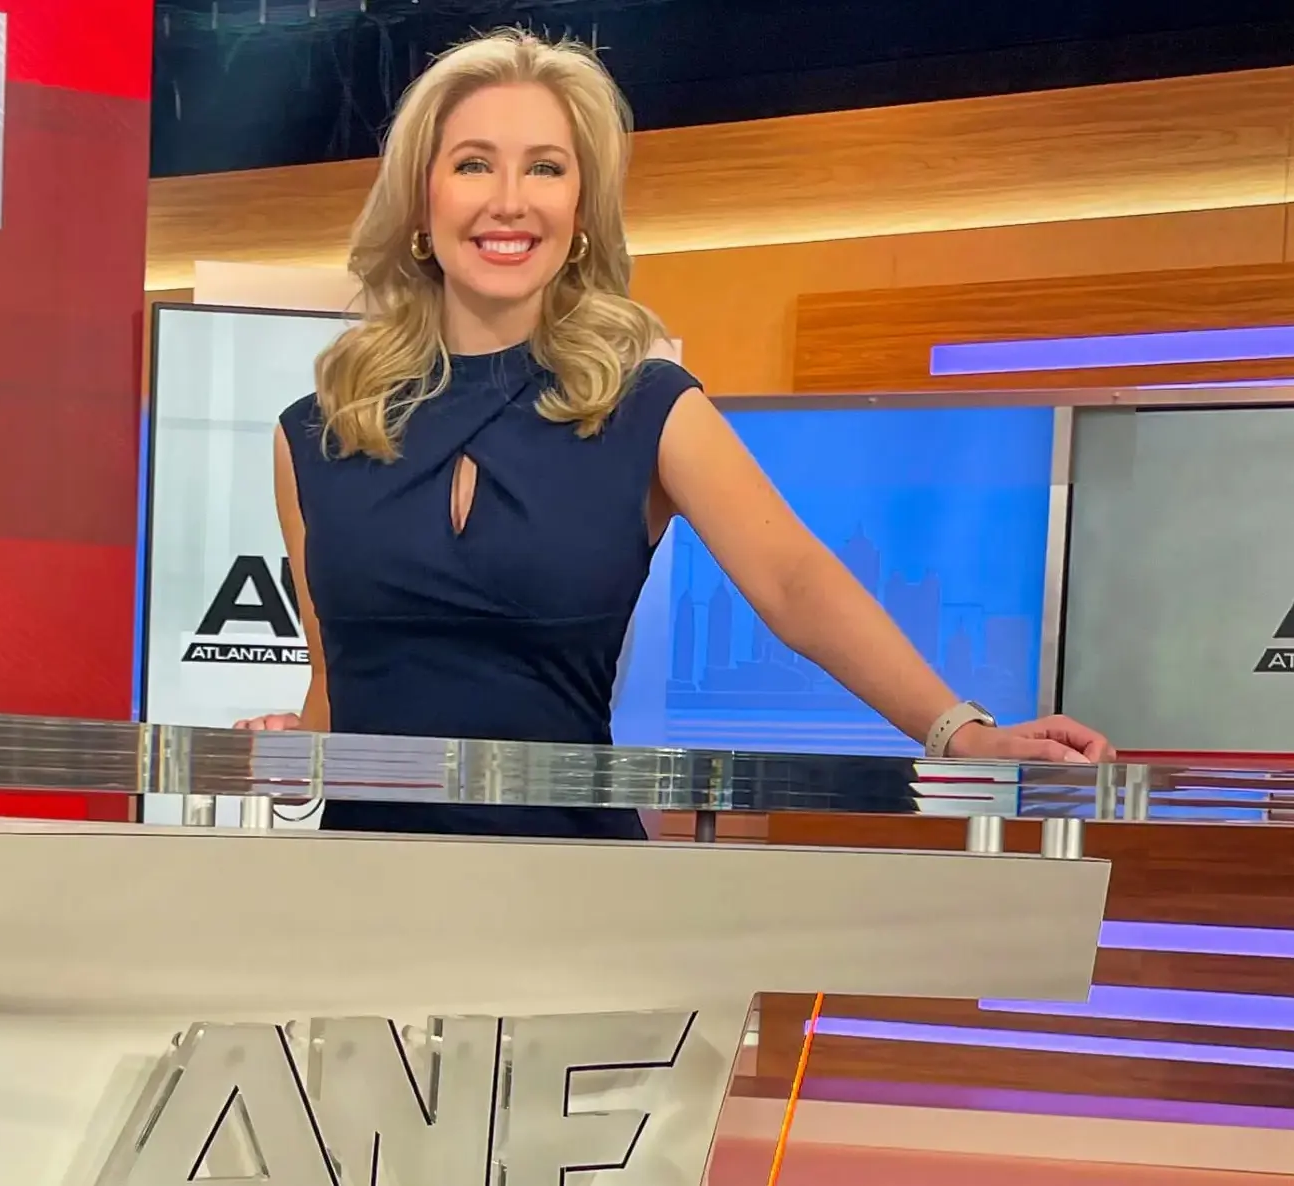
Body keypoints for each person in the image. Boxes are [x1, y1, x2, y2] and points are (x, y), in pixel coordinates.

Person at [234, 29, 1112, 840]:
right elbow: (336, 683)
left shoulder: (645, 407)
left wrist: (959, 733)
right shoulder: (315, 435)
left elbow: (795, 581)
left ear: (581, 213)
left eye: (545, 169)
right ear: (421, 204)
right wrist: (290, 752)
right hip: (364, 906)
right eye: (473, 165)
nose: (509, 202)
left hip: (570, 897)